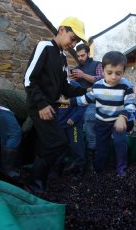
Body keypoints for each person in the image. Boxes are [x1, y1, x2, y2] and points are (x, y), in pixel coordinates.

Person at [23, 16, 89, 193]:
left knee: (51, 143)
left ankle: (39, 180)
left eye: (76, 41)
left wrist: (86, 92)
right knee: (57, 141)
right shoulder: (44, 47)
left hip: (50, 106)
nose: (73, 44)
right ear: (61, 30)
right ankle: (34, 181)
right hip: (39, 106)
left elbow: (65, 88)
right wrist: (42, 105)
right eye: (72, 38)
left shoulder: (62, 58)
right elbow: (29, 80)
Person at [67, 51, 136, 177]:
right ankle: (99, 170)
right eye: (109, 73)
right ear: (103, 71)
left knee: (120, 143)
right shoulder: (97, 86)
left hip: (118, 121)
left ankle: (121, 169)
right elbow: (85, 99)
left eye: (118, 73)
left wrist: (123, 116)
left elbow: (131, 103)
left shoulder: (126, 85)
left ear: (123, 72)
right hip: (101, 122)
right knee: (101, 147)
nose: (114, 77)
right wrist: (68, 102)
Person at [0, 89, 33, 179]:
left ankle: (5, 167)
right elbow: (25, 128)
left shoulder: (35, 101)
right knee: (15, 134)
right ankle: (10, 170)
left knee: (5, 136)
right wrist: (23, 135)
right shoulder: (38, 107)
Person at [70, 44, 103, 171]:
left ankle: (91, 165)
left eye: (83, 55)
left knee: (90, 134)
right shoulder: (77, 68)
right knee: (76, 135)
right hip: (77, 104)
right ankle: (78, 162)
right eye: (78, 56)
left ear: (88, 54)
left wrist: (83, 75)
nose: (80, 58)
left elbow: (101, 80)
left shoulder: (97, 64)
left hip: (91, 103)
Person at [55, 80, 87, 180]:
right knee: (59, 148)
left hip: (73, 124)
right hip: (59, 124)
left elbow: (82, 104)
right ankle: (57, 171)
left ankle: (80, 172)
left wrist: (74, 118)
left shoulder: (74, 85)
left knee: (76, 146)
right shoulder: (53, 86)